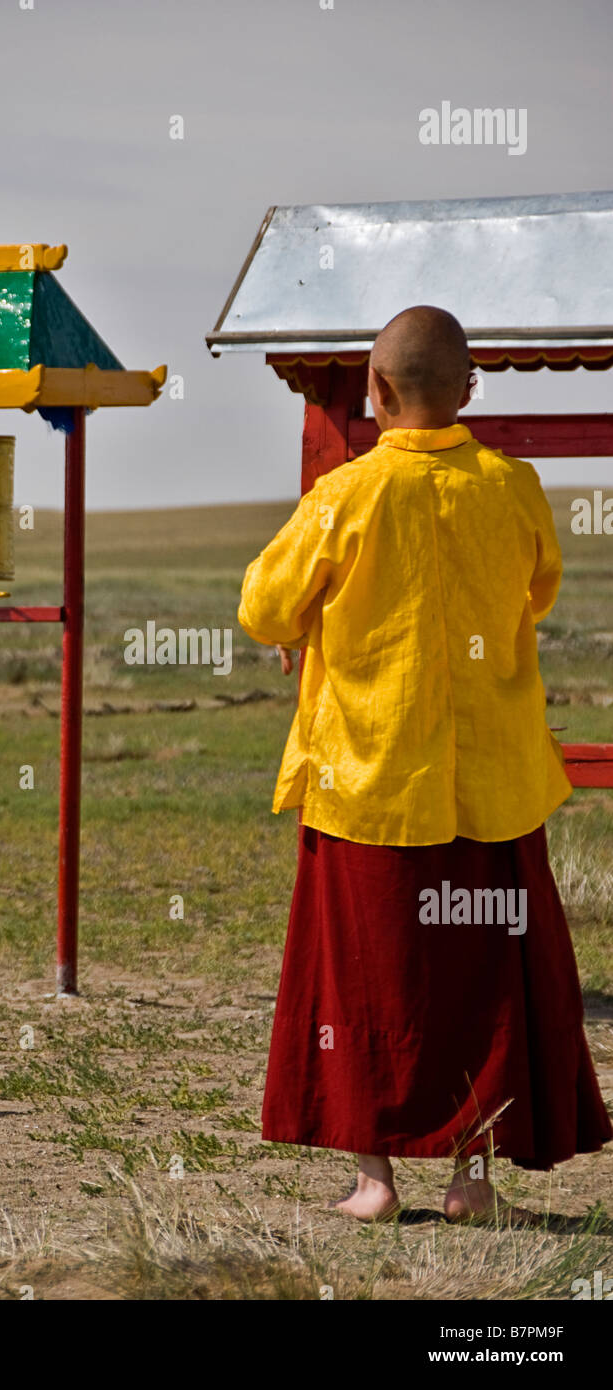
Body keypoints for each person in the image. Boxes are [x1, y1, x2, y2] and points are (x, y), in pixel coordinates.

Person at [238, 306, 612, 1223]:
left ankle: (375, 1183)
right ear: (469, 391)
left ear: (375, 390)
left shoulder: (343, 496)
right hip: (491, 782)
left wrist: (314, 624)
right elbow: (540, 586)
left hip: (365, 781)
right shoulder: (513, 487)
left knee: (364, 982)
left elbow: (264, 607)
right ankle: (472, 1182)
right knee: (483, 981)